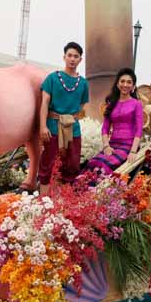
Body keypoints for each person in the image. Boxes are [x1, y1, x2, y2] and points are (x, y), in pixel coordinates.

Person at [38, 42, 90, 192]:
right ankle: (44, 201)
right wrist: (43, 126)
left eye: (76, 56)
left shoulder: (83, 83)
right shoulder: (52, 78)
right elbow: (44, 103)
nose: (72, 59)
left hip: (73, 129)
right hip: (52, 126)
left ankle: (63, 203)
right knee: (48, 162)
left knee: (72, 163)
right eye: (69, 55)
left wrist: (69, 117)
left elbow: (81, 106)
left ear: (80, 59)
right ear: (64, 57)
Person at [86, 68, 143, 175]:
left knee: (105, 166)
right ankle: (82, 191)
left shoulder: (137, 104)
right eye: (122, 81)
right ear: (117, 84)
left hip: (128, 146)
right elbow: (105, 128)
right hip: (112, 145)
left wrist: (133, 151)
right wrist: (106, 146)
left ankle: (100, 191)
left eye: (129, 82)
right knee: (93, 163)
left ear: (133, 86)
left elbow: (139, 130)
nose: (125, 84)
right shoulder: (111, 103)